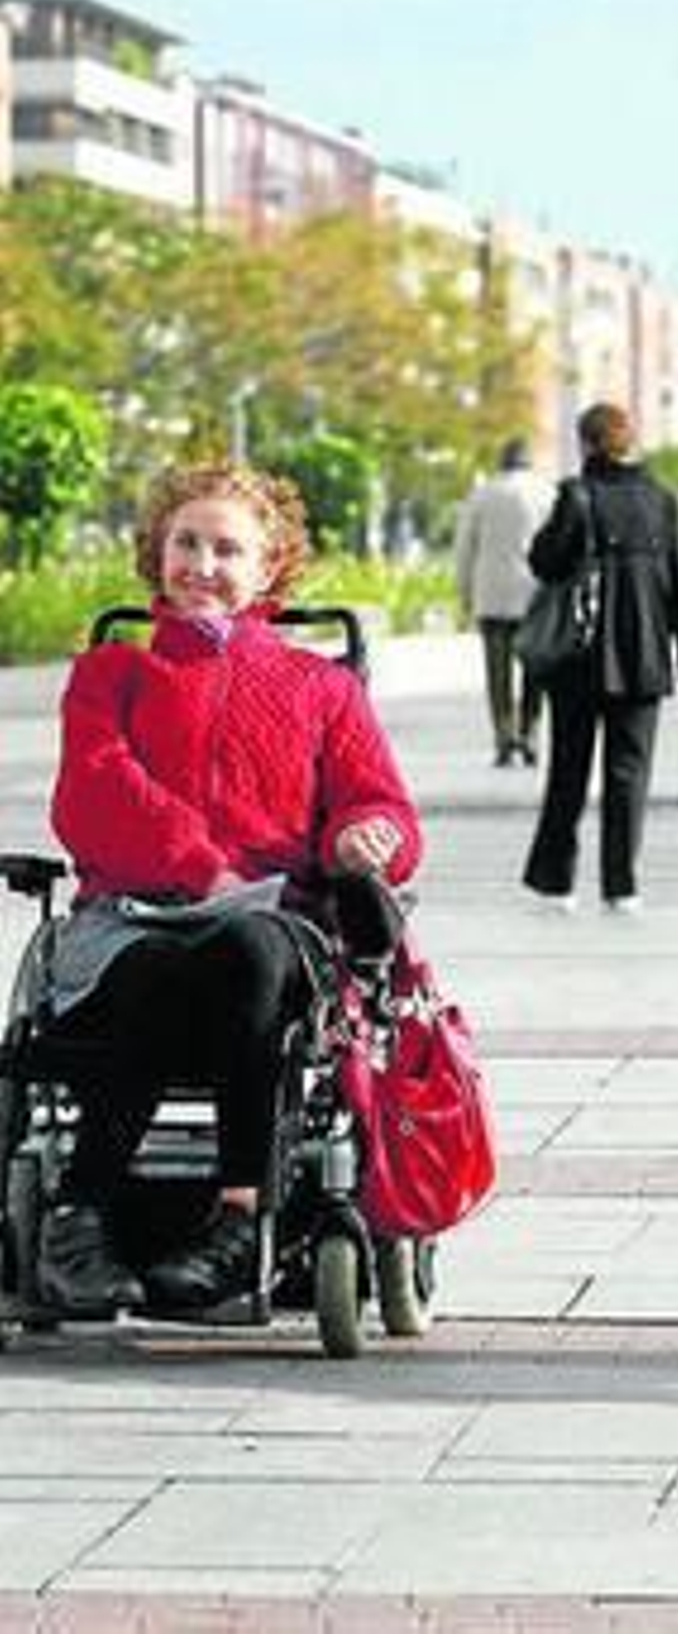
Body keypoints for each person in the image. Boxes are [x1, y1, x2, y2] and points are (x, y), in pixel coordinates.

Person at [41, 460, 423, 1315]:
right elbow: (92, 794)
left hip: (269, 931)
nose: (201, 565)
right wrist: (201, 866)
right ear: (156, 551)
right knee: (153, 966)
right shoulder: (110, 674)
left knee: (249, 947)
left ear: (269, 566)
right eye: (186, 543)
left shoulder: (322, 688)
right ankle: (80, 1220)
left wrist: (366, 836)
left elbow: (382, 804)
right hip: (134, 918)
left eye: (227, 549)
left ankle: (240, 1217)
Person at [522, 402, 678, 913]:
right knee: (629, 774)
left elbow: (544, 562)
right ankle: (621, 885)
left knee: (568, 770)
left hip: (578, 657)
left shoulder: (577, 495)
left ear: (587, 443)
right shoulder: (661, 500)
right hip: (643, 655)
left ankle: (556, 882)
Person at [454, 435, 557, 767]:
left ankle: (503, 736)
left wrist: (465, 594)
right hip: (535, 596)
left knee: (497, 674)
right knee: (535, 672)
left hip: (492, 596)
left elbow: (464, 550)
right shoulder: (546, 493)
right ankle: (530, 734)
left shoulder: (482, 494)